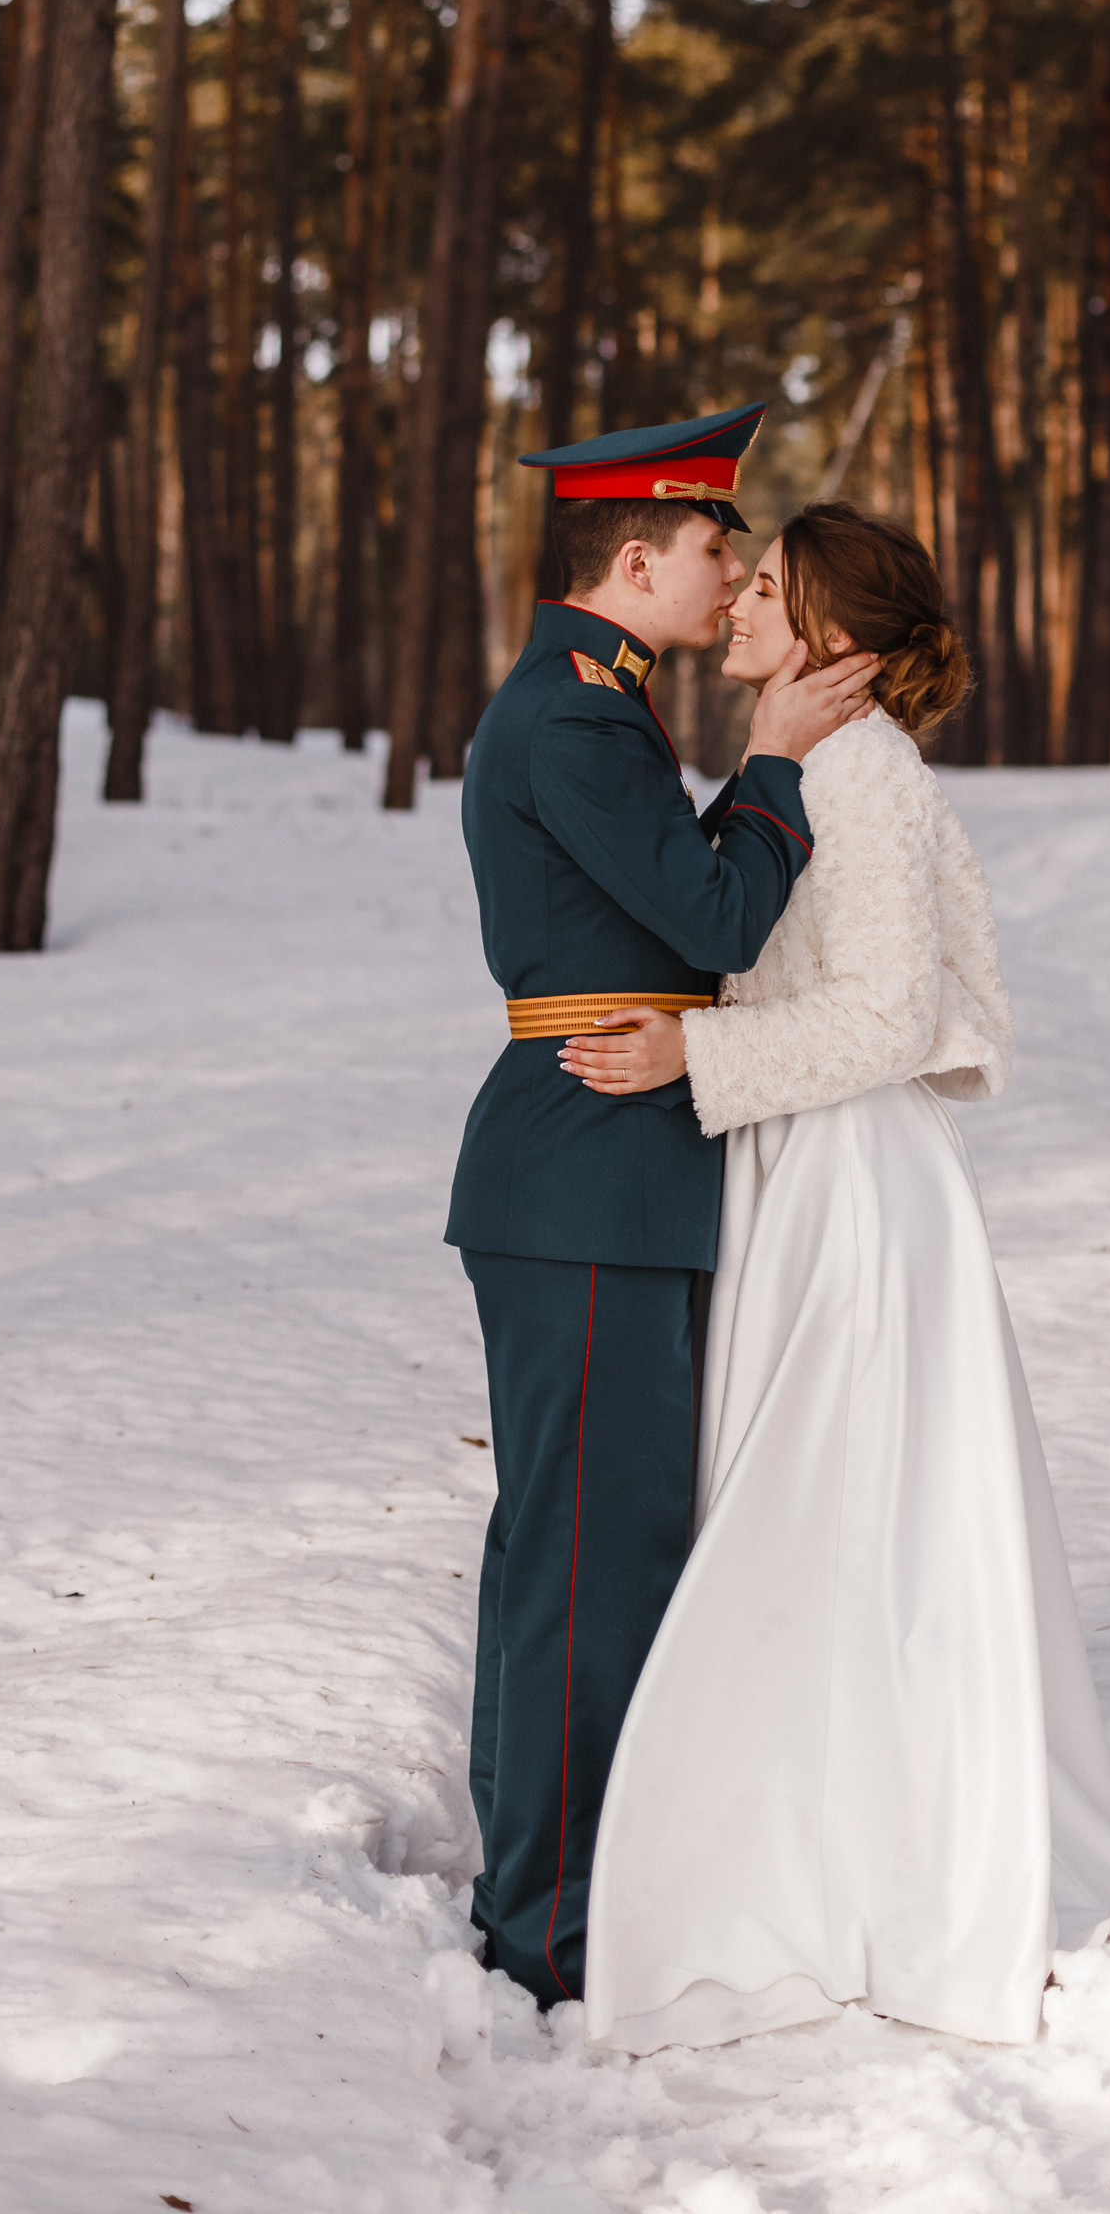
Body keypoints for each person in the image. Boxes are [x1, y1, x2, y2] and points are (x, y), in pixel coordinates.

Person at [562, 500, 1110, 2053]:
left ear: (836, 635)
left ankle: (863, 1865)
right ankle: (793, 1836)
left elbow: (890, 1017)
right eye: (741, 577)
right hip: (785, 1168)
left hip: (851, 1188)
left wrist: (690, 1054)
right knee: (797, 1512)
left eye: (770, 588)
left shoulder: (869, 777)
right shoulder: (802, 761)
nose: (741, 602)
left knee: (835, 1517)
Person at [449, 404, 880, 2011]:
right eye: (714, 548)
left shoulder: (597, 706)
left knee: (566, 1547)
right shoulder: (571, 718)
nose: (732, 572)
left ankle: (535, 1895)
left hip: (606, 1153)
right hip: (587, 1164)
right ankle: (552, 1933)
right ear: (636, 559)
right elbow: (711, 907)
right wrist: (775, 762)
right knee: (589, 1555)